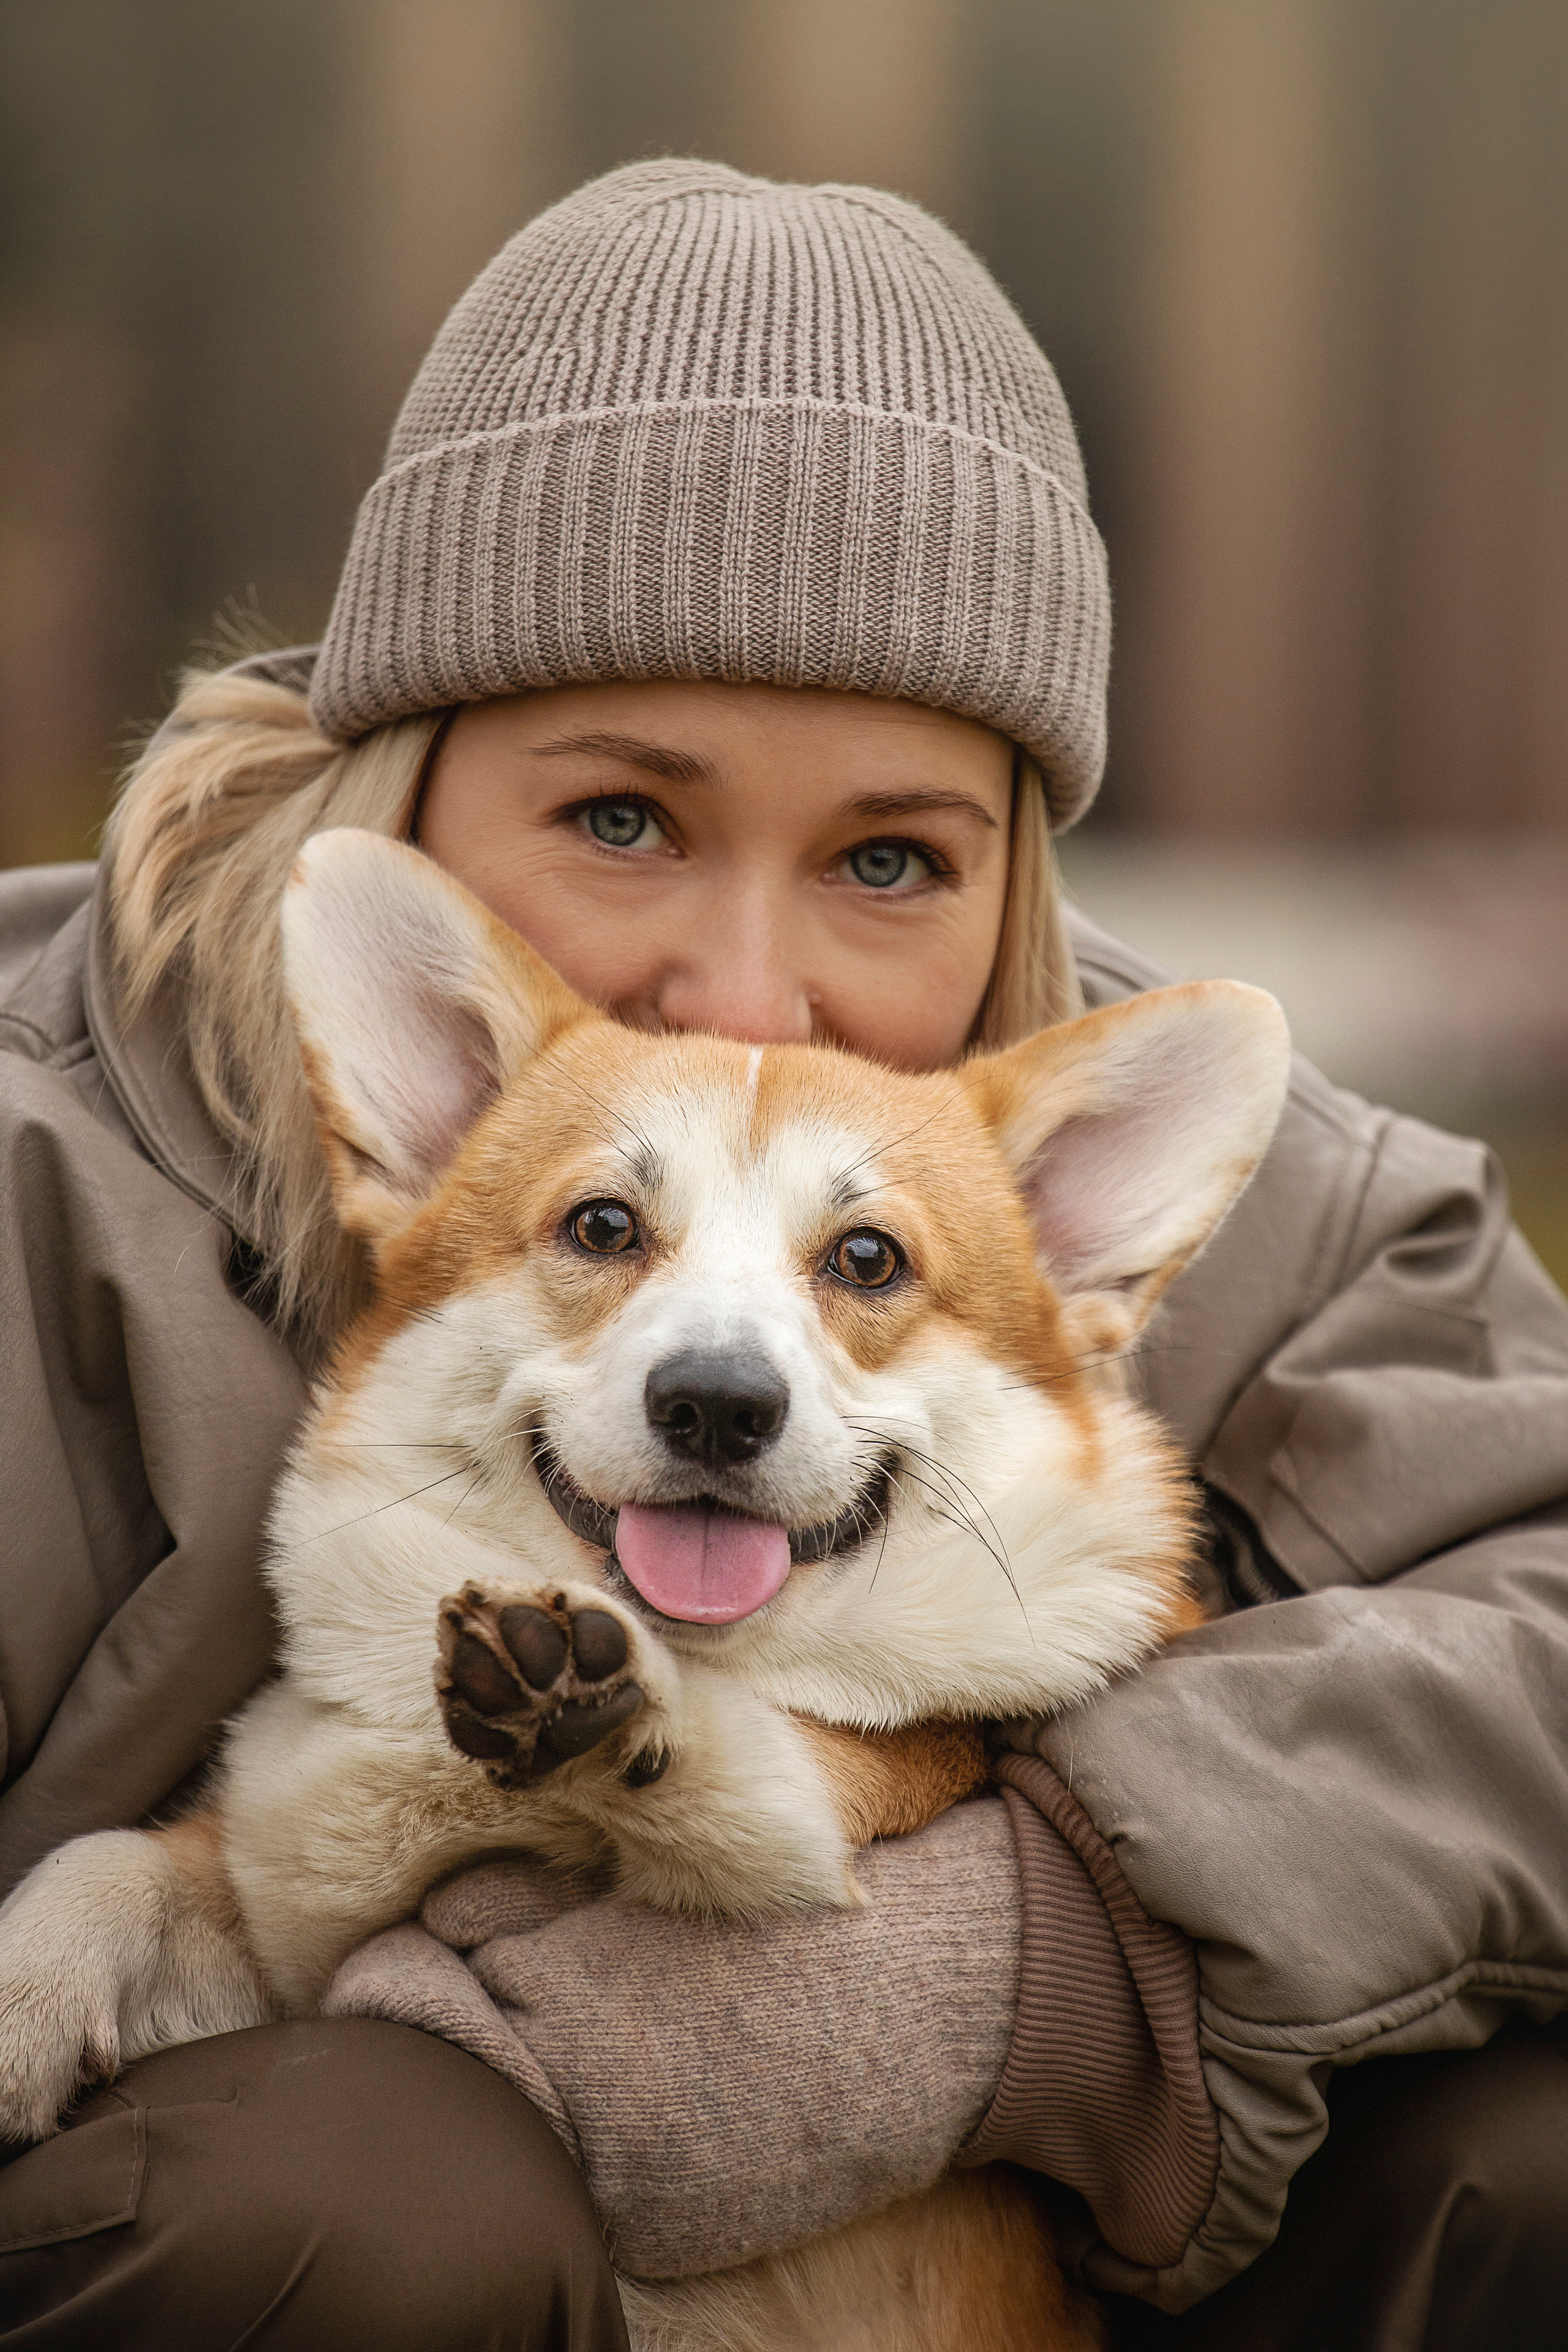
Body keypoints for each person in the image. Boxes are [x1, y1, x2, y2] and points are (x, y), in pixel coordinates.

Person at [0, 159, 1564, 2352]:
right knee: (361, 2194)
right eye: (624, 817)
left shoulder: (1101, 1154)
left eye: (890, 859)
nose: (748, 994)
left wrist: (1026, 1971)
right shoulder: (40, 1159)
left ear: (1014, 869)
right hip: (267, 2222)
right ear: (413, 786)